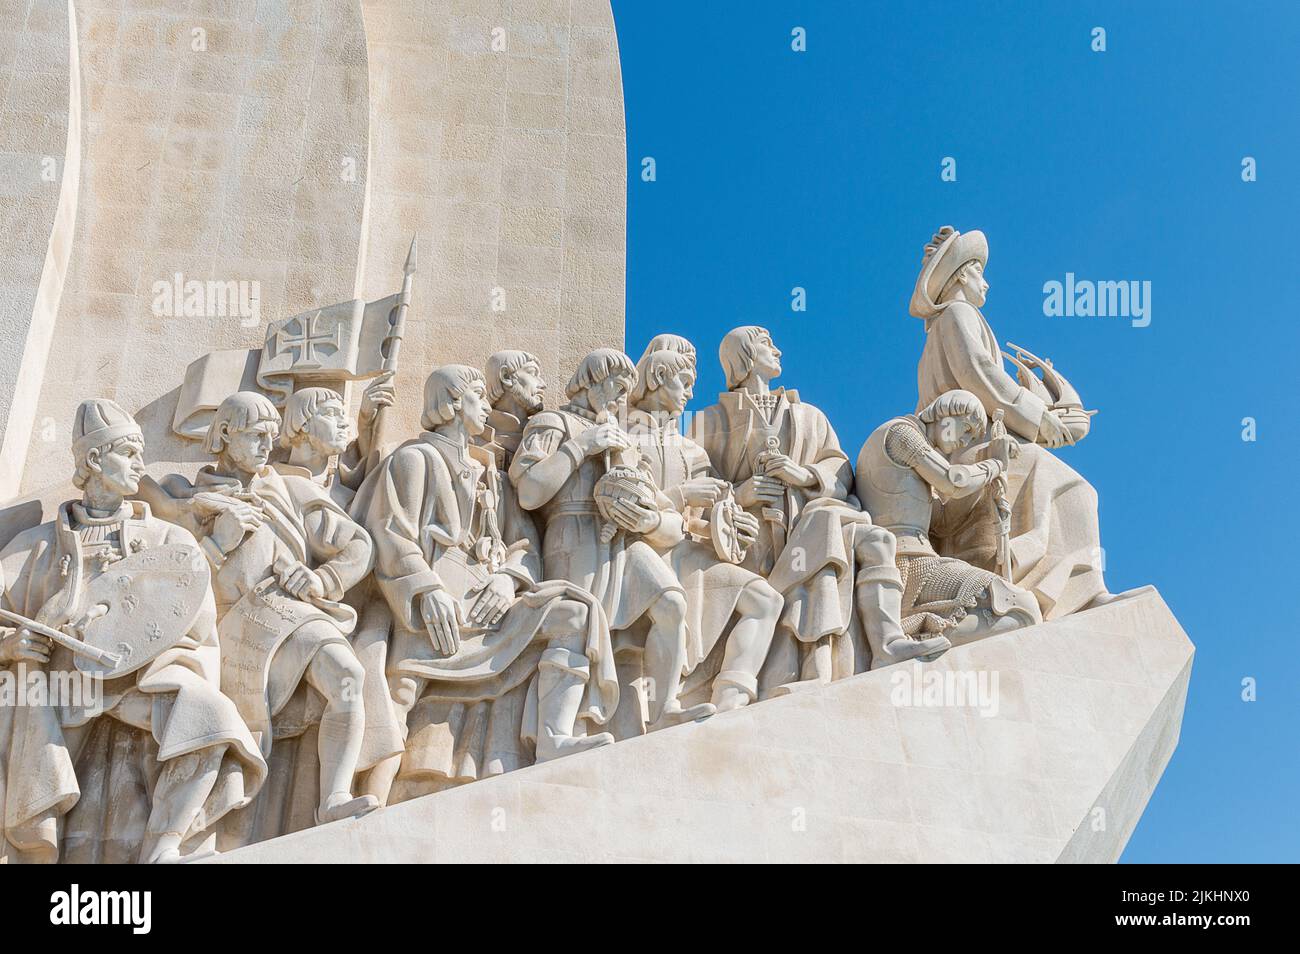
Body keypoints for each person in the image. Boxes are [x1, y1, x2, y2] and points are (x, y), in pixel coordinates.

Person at [0, 399, 265, 863]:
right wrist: (9, 645)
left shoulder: (168, 540)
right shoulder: (35, 545)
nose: (142, 465)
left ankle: (164, 845)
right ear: (94, 461)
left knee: (210, 714)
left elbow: (197, 626)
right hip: (60, 685)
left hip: (137, 679)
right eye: (127, 452)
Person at [354, 366, 618, 804]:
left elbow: (524, 544)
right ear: (455, 403)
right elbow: (390, 531)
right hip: (433, 601)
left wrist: (508, 578)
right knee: (402, 687)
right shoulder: (414, 458)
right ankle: (368, 797)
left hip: (488, 601)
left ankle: (554, 738)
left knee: (576, 612)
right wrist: (426, 589)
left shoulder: (491, 476)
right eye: (479, 398)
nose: (488, 409)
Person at [163, 391, 379, 829]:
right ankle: (181, 832)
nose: (268, 446)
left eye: (272, 436)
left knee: (348, 675)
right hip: (226, 629)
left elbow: (359, 543)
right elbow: (171, 584)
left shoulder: (284, 487)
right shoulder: (182, 498)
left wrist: (322, 579)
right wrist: (216, 543)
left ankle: (334, 797)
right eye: (258, 435)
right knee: (227, 740)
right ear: (224, 434)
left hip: (287, 611)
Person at [910, 226, 1143, 617]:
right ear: (963, 274)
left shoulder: (951, 323)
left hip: (973, 448)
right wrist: (1041, 421)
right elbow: (980, 374)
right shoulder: (957, 313)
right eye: (979, 271)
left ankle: (1066, 587)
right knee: (1075, 488)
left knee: (1066, 484)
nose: (986, 282)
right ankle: (1081, 594)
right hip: (970, 450)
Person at [690, 326, 932, 688]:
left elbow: (839, 467)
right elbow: (690, 489)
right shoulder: (708, 422)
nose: (778, 351)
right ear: (743, 356)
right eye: (766, 344)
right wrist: (741, 494)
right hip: (752, 542)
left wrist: (803, 475)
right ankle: (810, 668)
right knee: (824, 536)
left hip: (810, 518)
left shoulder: (809, 416)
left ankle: (887, 642)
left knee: (875, 539)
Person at [511, 348, 715, 734]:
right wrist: (581, 446)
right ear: (592, 382)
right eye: (618, 389)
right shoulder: (554, 423)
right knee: (580, 628)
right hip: (572, 535)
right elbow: (529, 493)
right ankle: (557, 734)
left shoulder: (622, 438)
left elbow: (651, 500)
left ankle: (664, 709)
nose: (624, 401)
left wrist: (649, 516)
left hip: (622, 539)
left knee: (671, 601)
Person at [627, 347, 781, 710]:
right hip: (638, 553)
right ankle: (663, 707)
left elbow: (710, 514)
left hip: (686, 556)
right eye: (684, 383)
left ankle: (730, 702)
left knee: (766, 600)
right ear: (657, 379)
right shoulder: (623, 435)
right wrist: (681, 495)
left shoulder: (691, 452)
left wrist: (733, 518)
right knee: (670, 607)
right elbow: (622, 506)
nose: (691, 394)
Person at [855, 390, 1041, 664]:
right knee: (1020, 607)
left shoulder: (918, 469)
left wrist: (990, 490)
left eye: (970, 436)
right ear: (943, 412)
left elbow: (942, 522)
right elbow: (953, 481)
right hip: (906, 563)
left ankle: (920, 640)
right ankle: (914, 642)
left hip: (920, 562)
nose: (963, 440)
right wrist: (995, 464)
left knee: (1021, 610)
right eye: (964, 428)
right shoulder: (901, 434)